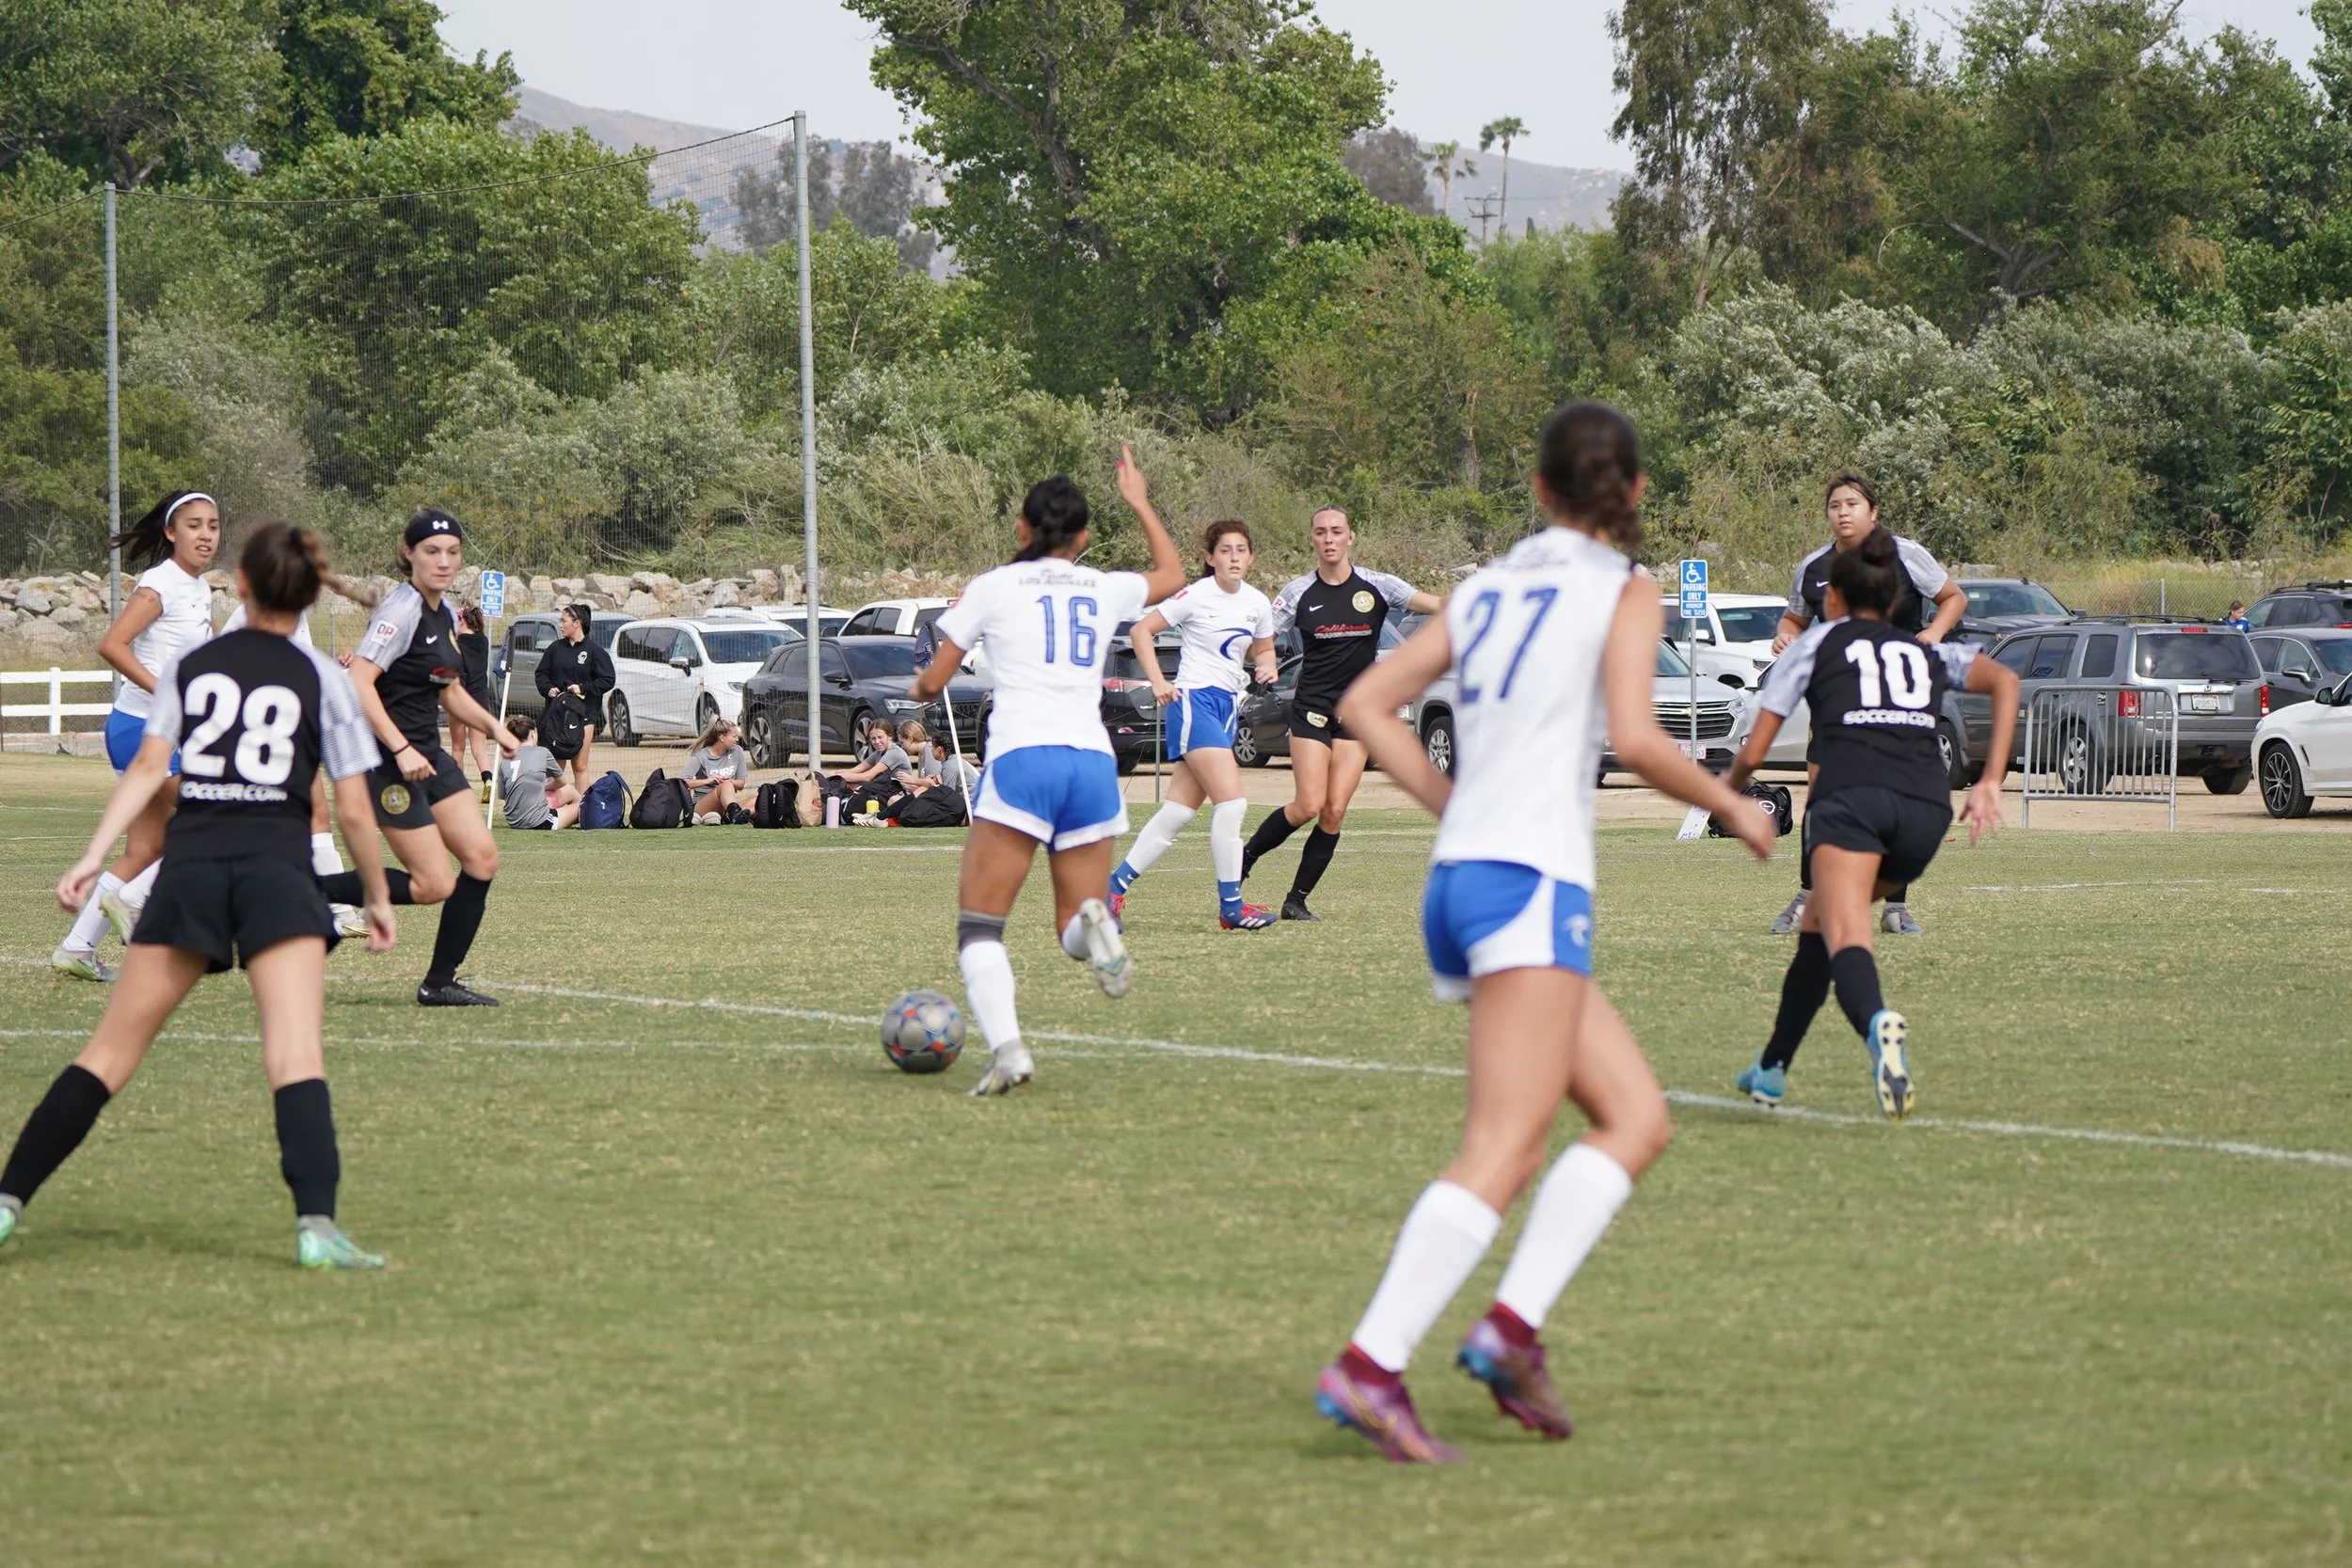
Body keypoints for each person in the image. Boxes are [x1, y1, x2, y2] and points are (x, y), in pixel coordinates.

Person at [1311, 402, 1776, 1464]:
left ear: (1538, 488)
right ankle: (1370, 1363)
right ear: (1638, 493)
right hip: (1526, 880)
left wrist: (1447, 800)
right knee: (1505, 1145)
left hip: (1469, 872)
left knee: (1634, 1116)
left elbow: (1370, 703)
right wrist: (1735, 804)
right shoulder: (1625, 586)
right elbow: (1635, 734)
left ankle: (1509, 1329)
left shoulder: (1487, 587)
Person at [1, 523, 397, 1268]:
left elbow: (150, 770)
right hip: (279, 874)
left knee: (110, 1053)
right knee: (294, 1052)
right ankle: (316, 1225)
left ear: (240, 586)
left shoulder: (194, 666)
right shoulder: (323, 677)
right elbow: (348, 808)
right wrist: (374, 894)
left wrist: (92, 857)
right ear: (311, 594)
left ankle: (6, 1201)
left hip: (192, 869)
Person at [909, 446, 1186, 1095]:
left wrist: (921, 686)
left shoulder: (993, 585)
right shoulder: (1103, 584)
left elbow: (934, 680)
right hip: (1092, 761)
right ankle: (1099, 927)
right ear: (1085, 537)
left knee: (980, 927)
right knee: (1073, 923)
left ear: (1022, 529)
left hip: (1023, 759)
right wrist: (1140, 500)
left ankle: (1009, 1051)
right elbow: (1172, 571)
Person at [1727, 529, 2018, 1118]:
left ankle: (1877, 1023)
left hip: (1851, 801)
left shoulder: (1816, 646)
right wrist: (1989, 779)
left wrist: (1724, 796)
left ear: (1832, 599)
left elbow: (1754, 752)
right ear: (1890, 604)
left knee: (1846, 934)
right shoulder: (1921, 649)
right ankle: (1772, 1069)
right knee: (1821, 924)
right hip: (1925, 812)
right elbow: (2005, 682)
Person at [315, 508, 517, 1007]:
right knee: (433, 884)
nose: (444, 562)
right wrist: (400, 748)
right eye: (432, 552)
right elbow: (359, 682)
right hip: (391, 762)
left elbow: (446, 692)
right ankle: (304, 890)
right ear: (409, 554)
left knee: (482, 858)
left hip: (428, 757)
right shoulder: (400, 612)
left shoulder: (444, 613)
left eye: (452, 552)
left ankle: (439, 983)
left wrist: (494, 728)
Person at [1768, 472, 1966, 939]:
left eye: (1853, 503)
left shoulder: (1906, 555)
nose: (1843, 511)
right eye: (1835, 505)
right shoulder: (1813, 567)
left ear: (1873, 512)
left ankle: (1895, 906)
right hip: (1837, 701)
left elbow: (1953, 597)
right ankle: (1806, 895)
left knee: (1896, 799)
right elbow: (1793, 618)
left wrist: (1934, 633)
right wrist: (1786, 635)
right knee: (1821, 798)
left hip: (1898, 703)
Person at [1241, 507, 1445, 921]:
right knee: (1308, 804)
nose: (1329, 538)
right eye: (1321, 532)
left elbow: (1437, 604)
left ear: (1351, 536)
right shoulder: (1298, 593)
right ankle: (1243, 861)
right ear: (1312, 540)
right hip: (1312, 709)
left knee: (1334, 811)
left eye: (1337, 531)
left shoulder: (1379, 585)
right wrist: (1263, 659)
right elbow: (1260, 640)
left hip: (1357, 715)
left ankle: (1296, 901)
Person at [52, 491, 220, 982]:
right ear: (171, 533)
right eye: (194, 525)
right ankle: (128, 900)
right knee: (217, 817)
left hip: (158, 730)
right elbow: (113, 645)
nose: (206, 534)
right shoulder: (160, 583)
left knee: (146, 850)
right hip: (142, 729)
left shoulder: (199, 587)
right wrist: (170, 693)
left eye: (212, 525)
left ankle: (77, 948)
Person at [1109, 519, 1280, 928]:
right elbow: (1140, 630)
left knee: (1177, 813)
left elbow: (1265, 648)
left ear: (1251, 557)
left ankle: (1112, 888)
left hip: (1225, 706)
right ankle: (1232, 906)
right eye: (1225, 550)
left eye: (1241, 550)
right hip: (1195, 702)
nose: (1234, 557)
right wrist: (1157, 681)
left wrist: (1267, 666)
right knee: (1233, 803)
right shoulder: (1197, 595)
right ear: (1210, 558)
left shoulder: (1257, 602)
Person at [224, 594, 367, 938]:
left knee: (311, 815)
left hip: (284, 729)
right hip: (258, 732)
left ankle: (337, 909)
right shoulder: (254, 613)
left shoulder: (294, 613)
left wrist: (336, 666)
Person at [535, 604, 613, 798]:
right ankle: (549, 807)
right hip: (557, 716)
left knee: (580, 764)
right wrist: (548, 689)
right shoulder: (554, 649)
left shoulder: (595, 651)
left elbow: (607, 680)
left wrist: (583, 688)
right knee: (555, 765)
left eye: (564, 621)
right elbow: (541, 674)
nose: (560, 625)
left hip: (585, 715)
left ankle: (582, 809)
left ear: (577, 623)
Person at [450, 604, 498, 801]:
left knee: (458, 747)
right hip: (480, 698)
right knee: (479, 748)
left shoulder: (457, 642)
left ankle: (457, 788)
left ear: (462, 621)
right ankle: (487, 779)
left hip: (461, 697)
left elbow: (459, 670)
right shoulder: (483, 641)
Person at [499, 715, 578, 831]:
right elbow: (562, 782)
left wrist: (541, 788)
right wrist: (544, 787)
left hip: (513, 821)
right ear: (533, 733)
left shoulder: (505, 760)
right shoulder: (542, 752)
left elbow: (503, 795)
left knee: (570, 790)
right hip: (539, 821)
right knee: (583, 806)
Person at [683, 718, 749, 823]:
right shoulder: (701, 756)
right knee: (725, 786)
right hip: (702, 805)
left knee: (759, 797)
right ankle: (734, 814)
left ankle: (731, 816)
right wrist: (708, 780)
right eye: (734, 736)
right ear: (722, 738)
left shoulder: (737, 751)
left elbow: (741, 784)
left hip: (726, 805)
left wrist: (730, 781)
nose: (737, 739)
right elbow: (683, 783)